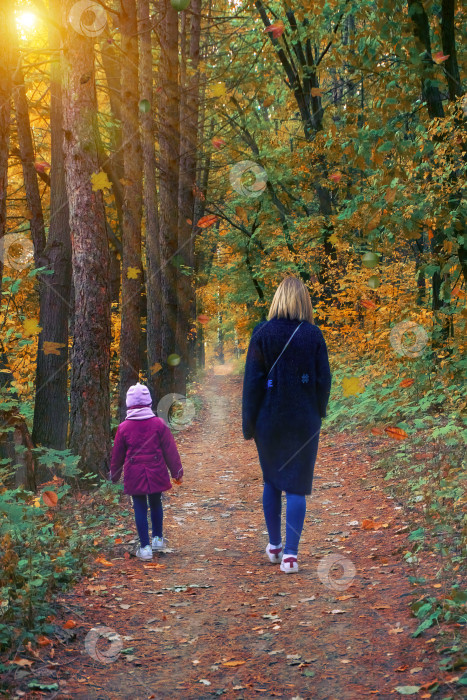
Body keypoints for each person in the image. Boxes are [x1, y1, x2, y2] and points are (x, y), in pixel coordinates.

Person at [242, 277, 332, 574]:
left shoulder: (262, 333)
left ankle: (274, 545)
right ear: (304, 301)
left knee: (272, 481)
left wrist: (249, 423)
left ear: (277, 299)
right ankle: (291, 556)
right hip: (303, 421)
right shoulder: (313, 335)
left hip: (269, 420)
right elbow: (323, 380)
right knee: (297, 485)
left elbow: (253, 382)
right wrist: (318, 411)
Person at [110, 383, 183, 560]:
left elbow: (117, 454)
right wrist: (177, 472)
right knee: (156, 502)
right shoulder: (159, 424)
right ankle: (157, 538)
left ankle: (145, 547)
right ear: (149, 403)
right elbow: (170, 450)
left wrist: (114, 475)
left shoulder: (124, 428)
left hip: (134, 473)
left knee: (140, 507)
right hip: (156, 469)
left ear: (129, 404)